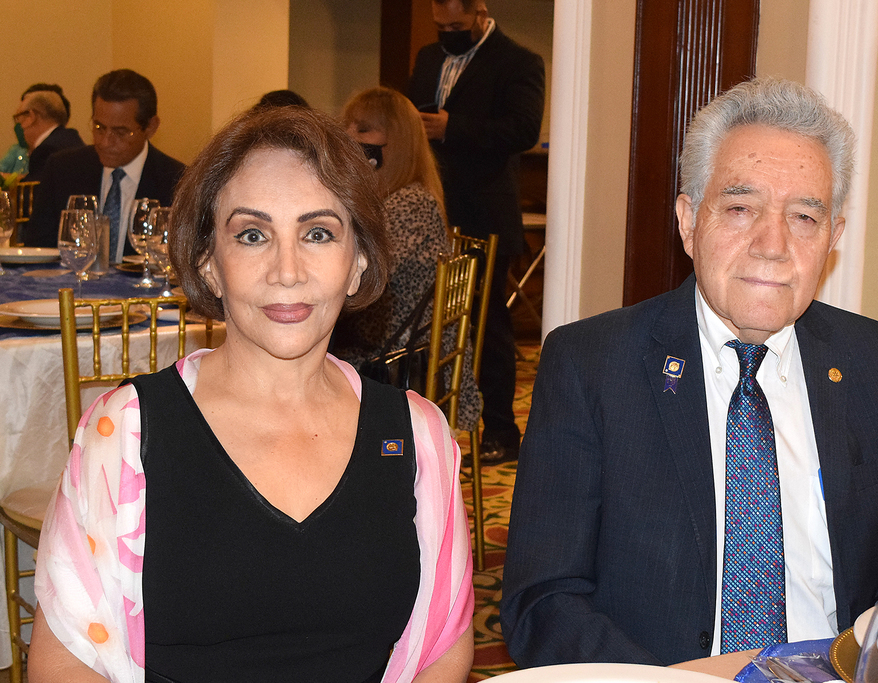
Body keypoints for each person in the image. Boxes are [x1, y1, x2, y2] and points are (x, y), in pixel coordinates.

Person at [500, 78, 878, 667]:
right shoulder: (591, 365)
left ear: (832, 238)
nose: (773, 244)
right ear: (689, 222)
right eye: (740, 209)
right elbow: (543, 603)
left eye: (805, 217)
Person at [30, 106, 474, 683]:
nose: (287, 271)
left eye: (318, 233)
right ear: (209, 265)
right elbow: (65, 661)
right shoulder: (127, 434)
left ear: (358, 262)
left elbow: (441, 651)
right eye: (252, 235)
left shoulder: (416, 436)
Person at [407, 0, 545, 463]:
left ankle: (501, 431)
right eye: (440, 24)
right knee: (426, 323)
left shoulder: (519, 61)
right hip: (431, 209)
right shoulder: (429, 56)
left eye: (456, 24)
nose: (447, 32)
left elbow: (523, 130)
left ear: (480, 12)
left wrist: (452, 127)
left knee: (487, 330)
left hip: (485, 212)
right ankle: (426, 425)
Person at [331, 86, 482, 432]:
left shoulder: (411, 204)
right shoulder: (392, 200)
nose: (350, 138)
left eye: (363, 129)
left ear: (396, 142)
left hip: (395, 359)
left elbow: (359, 277)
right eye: (348, 127)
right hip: (387, 345)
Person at [21, 69, 186, 260]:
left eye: (120, 132)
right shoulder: (63, 169)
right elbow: (37, 251)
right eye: (99, 127)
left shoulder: (178, 182)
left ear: (150, 127)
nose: (105, 142)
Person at [13, 84, 85, 181]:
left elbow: (34, 189)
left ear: (31, 117)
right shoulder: (71, 138)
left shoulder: (45, 151)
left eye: (19, 118)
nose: (20, 125)